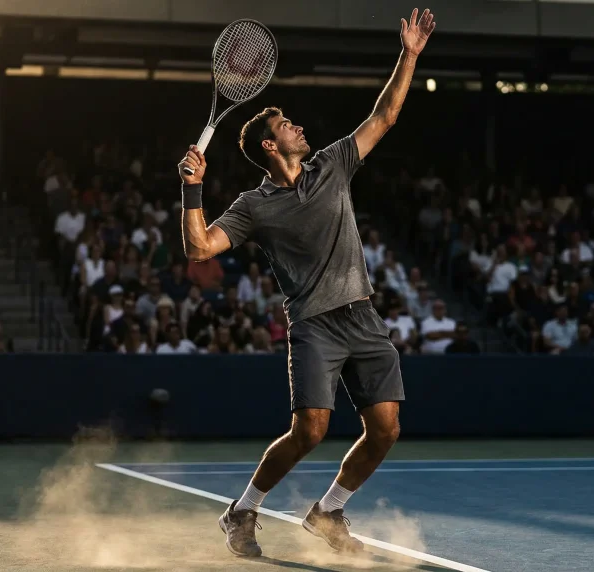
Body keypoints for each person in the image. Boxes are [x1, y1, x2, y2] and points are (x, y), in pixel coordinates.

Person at [177, 8, 435, 558]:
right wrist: (191, 190)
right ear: (270, 147)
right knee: (310, 430)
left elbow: (384, 115)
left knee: (386, 429)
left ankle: (329, 511)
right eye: (285, 125)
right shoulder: (253, 207)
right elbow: (199, 247)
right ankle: (241, 510)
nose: (297, 126)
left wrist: (409, 55)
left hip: (362, 317)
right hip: (315, 324)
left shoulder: (333, 165)